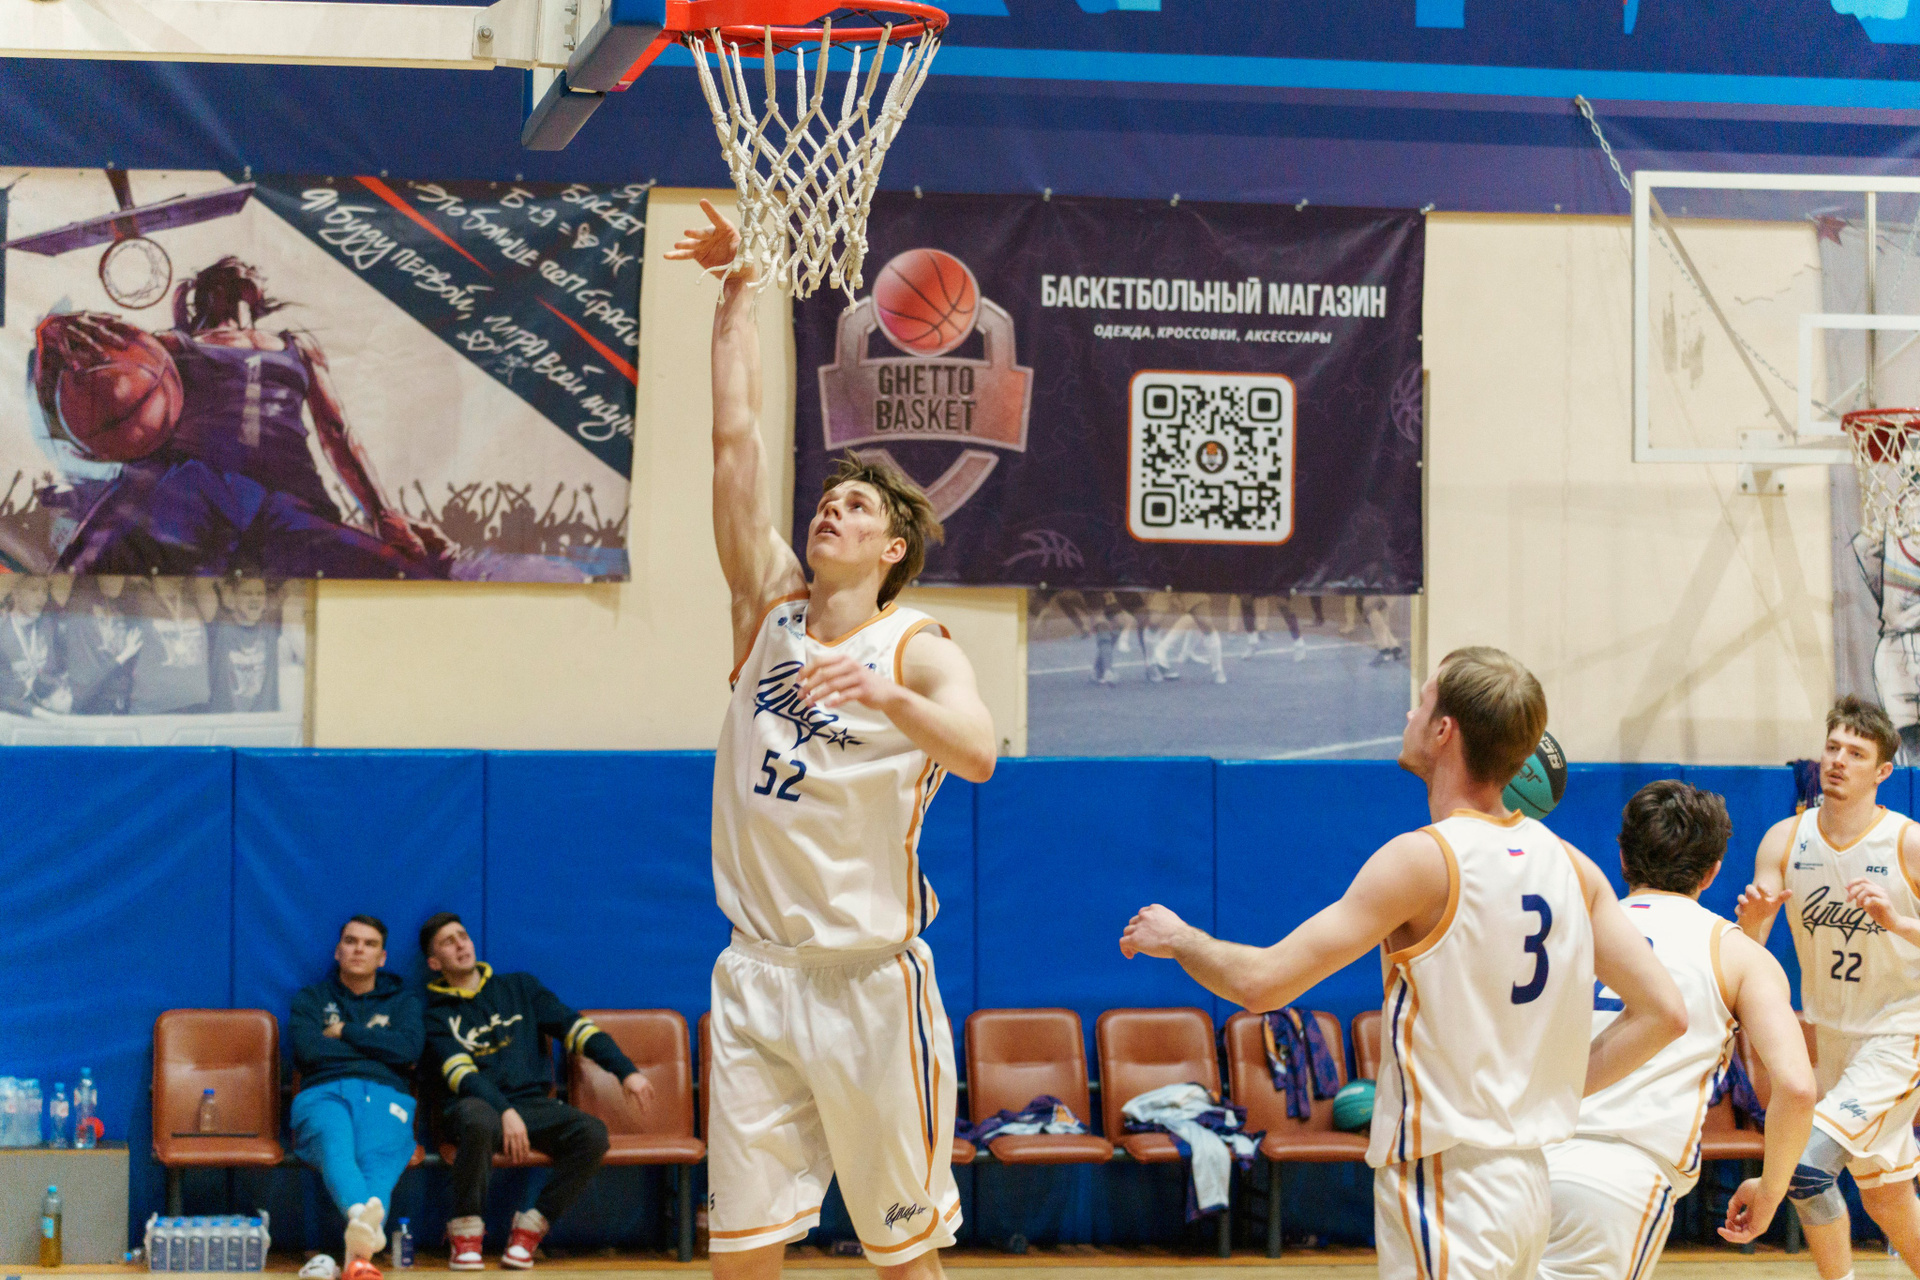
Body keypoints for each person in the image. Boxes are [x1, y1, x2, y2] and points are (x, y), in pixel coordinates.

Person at [1119, 646, 1686, 1280]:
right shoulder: (1575, 868)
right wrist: (1550, 1091)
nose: (1409, 714)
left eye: (1421, 702)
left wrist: (1181, 939)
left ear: (1445, 730)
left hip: (1449, 1184)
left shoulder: (1422, 861)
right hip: (1529, 1179)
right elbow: (1665, 1013)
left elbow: (1261, 984)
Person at [666, 200, 996, 1280]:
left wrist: (892, 699)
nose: (830, 512)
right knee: (741, 1255)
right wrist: (737, 291)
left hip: (867, 985)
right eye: (827, 501)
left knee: (901, 1256)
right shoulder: (766, 604)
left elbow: (980, 752)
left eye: (856, 508)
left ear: (893, 547)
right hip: (754, 973)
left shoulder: (919, 647)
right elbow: (735, 438)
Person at [1539, 781, 1816, 1280]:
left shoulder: (1561, 931)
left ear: (1623, 856)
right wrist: (1771, 1190)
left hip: (1513, 1162)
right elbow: (1797, 1087)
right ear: (1713, 871)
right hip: (1618, 1176)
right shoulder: (1738, 955)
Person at [34, 257, 448, 578]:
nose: (244, 266)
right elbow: (80, 377)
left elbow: (337, 433)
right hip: (197, 491)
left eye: (248, 267)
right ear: (210, 288)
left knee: (405, 575)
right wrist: (51, 335)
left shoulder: (298, 345)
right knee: (73, 578)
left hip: (287, 501)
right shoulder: (170, 347)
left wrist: (383, 513)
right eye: (231, 267)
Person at [1735, 696, 1920, 1280]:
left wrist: (1898, 922)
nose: (1838, 760)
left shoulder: (1907, 843)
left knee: (1806, 1168)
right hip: (1832, 1040)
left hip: (1899, 1035)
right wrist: (1752, 922)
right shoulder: (1785, 839)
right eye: (1833, 748)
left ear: (1883, 771)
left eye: (1856, 753)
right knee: (1886, 1197)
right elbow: (1750, 952)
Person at [419, 913, 654, 1272]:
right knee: (478, 1119)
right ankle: (465, 1234)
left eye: (462, 936)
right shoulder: (435, 1016)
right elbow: (463, 1076)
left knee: (592, 1134)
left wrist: (626, 1072)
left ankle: (530, 1230)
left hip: (530, 1106)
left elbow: (576, 1029)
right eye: (447, 942)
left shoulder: (520, 987)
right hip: (472, 1106)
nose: (460, 944)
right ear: (435, 963)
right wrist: (505, 1111)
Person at [289, 915, 425, 1280]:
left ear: (382, 957)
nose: (358, 949)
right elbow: (308, 1051)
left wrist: (345, 1031)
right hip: (323, 1092)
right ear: (338, 951)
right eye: (350, 941)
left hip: (387, 1096)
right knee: (336, 1145)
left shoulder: (404, 1002)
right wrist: (378, 1050)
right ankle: (365, 1237)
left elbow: (409, 1050)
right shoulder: (311, 999)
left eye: (369, 944)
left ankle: (358, 1250)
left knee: (377, 1160)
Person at [59, 575, 141, 714]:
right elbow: (87, 686)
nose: (117, 579)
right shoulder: (81, 613)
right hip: (93, 708)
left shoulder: (123, 607)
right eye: (111, 574)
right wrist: (124, 656)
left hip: (121, 706)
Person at [207, 576, 282, 712]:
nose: (255, 599)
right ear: (233, 597)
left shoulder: (271, 628)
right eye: (247, 593)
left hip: (263, 719)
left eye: (260, 594)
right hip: (224, 719)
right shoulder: (221, 628)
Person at [0, 576, 70, 714]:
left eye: (45, 591)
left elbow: (58, 669)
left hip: (49, 710)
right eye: (33, 590)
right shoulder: (2, 630)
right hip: (11, 714)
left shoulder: (49, 626)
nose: (41, 597)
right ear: (16, 594)